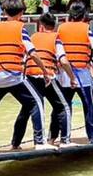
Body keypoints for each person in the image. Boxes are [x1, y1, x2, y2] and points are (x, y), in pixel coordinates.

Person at [0, 0, 53, 150]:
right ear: (21, 13)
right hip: (13, 76)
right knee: (36, 103)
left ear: (4, 12)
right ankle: (40, 142)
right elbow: (32, 53)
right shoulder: (20, 28)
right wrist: (45, 71)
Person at [14, 11, 74, 146]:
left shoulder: (33, 37)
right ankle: (65, 140)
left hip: (30, 77)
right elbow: (63, 61)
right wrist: (72, 77)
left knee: (26, 109)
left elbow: (25, 57)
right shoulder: (55, 38)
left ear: (41, 25)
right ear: (54, 25)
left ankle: (15, 144)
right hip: (47, 77)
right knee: (63, 107)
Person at [57, 0, 93, 143]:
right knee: (89, 106)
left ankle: (64, 139)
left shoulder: (61, 28)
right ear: (84, 15)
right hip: (82, 73)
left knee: (65, 107)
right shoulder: (86, 29)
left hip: (64, 74)